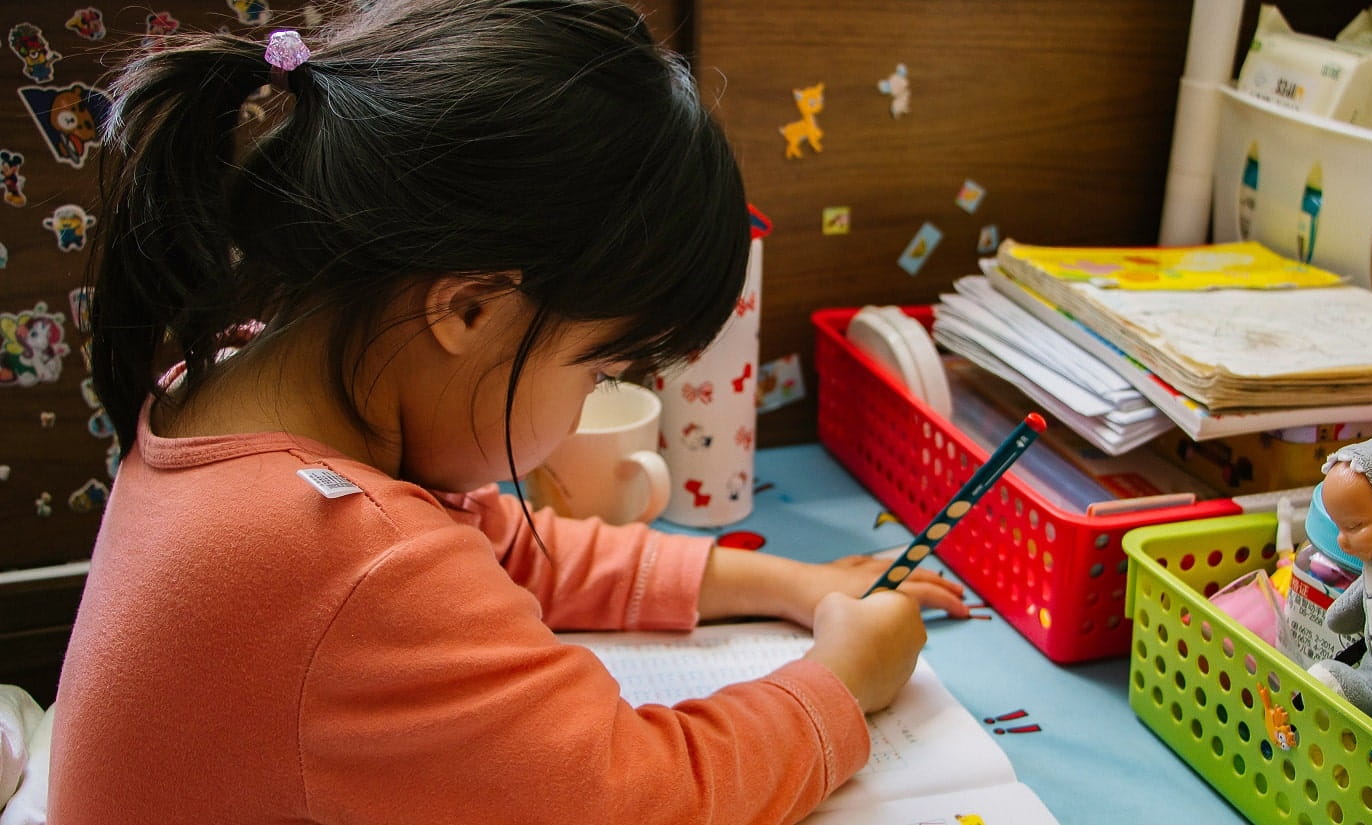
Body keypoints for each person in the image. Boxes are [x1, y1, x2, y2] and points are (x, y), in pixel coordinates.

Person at [51, 2, 969, 823]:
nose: (586, 410)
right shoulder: (353, 553)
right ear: (469, 310)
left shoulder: (228, 379)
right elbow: (639, 797)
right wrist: (842, 685)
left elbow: (501, 545)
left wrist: (790, 585)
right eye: (602, 367)